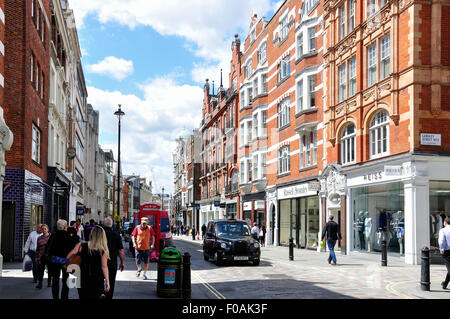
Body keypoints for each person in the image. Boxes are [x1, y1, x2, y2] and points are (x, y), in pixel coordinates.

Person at [67, 226, 110, 299]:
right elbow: (104, 267)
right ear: (102, 237)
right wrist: (107, 281)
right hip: (97, 279)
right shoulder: (103, 250)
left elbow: (69, 256)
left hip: (82, 277)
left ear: (92, 235)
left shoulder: (81, 245)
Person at [46, 219, 76, 300]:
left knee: (55, 280)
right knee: (65, 279)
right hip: (65, 261)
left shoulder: (53, 235)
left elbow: (48, 248)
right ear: (65, 227)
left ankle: (55, 297)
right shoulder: (68, 236)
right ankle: (64, 297)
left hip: (54, 261)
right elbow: (73, 249)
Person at [103, 217, 125, 299]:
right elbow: (121, 251)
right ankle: (108, 297)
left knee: (98, 281)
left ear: (103, 224)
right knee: (111, 282)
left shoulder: (99, 234)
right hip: (112, 263)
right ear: (112, 225)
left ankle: (101, 293)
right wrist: (122, 262)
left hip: (99, 263)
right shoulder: (116, 235)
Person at [35, 224, 51, 289]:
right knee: (40, 270)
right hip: (41, 256)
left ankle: (49, 282)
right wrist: (37, 257)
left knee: (50, 270)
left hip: (49, 256)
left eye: (45, 229)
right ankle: (40, 283)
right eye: (42, 229)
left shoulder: (51, 237)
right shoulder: (39, 238)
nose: (44, 230)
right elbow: (37, 248)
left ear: (48, 229)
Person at [438, 217, 450, 290]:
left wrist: (441, 250)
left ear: (445, 222)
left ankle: (445, 283)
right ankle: (445, 283)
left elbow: (441, 242)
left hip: (447, 252)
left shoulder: (443, 230)